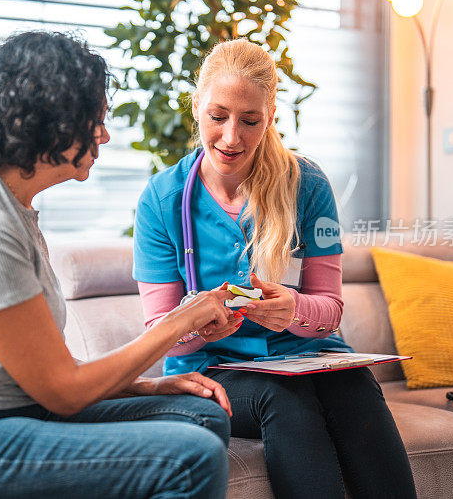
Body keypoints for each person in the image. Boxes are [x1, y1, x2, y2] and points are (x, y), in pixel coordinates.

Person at [0, 31, 244, 499]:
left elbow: (48, 367)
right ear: (54, 122)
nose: (105, 135)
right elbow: (62, 391)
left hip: (8, 408)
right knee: (191, 458)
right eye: (97, 121)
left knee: (200, 415)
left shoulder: (13, 206)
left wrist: (152, 388)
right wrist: (181, 320)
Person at [133, 39, 417, 499]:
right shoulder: (162, 200)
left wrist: (295, 310)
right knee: (283, 400)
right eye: (218, 116)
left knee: (355, 386)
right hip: (215, 366)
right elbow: (158, 330)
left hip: (305, 354)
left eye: (250, 121)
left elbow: (329, 306)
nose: (231, 138)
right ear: (197, 108)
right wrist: (203, 326)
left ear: (271, 120)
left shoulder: (308, 184)